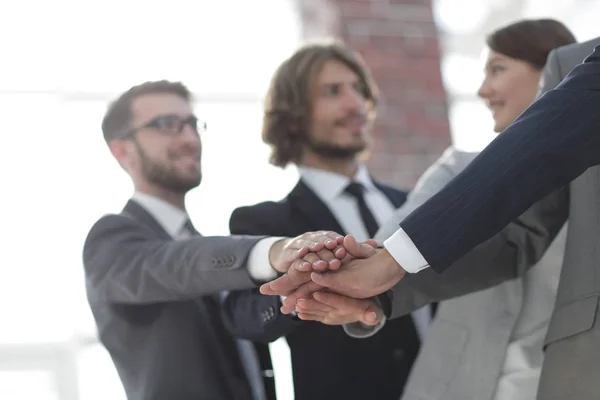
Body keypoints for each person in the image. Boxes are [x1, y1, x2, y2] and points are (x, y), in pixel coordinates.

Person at [269, 37, 600, 399]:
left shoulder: (399, 196)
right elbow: (518, 236)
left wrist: (384, 267)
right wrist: (382, 274)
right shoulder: (454, 173)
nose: (483, 89)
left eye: (498, 69)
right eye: (333, 91)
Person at [82, 80, 346, 400]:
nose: (190, 139)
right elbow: (175, 265)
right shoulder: (111, 240)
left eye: (192, 124)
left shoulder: (203, 246)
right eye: (167, 125)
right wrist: (272, 251)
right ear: (122, 150)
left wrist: (297, 289)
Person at [221, 42, 424, 400]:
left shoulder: (409, 202)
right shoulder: (265, 220)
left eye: (359, 90)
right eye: (333, 92)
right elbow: (244, 316)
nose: (355, 104)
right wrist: (296, 293)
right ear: (294, 114)